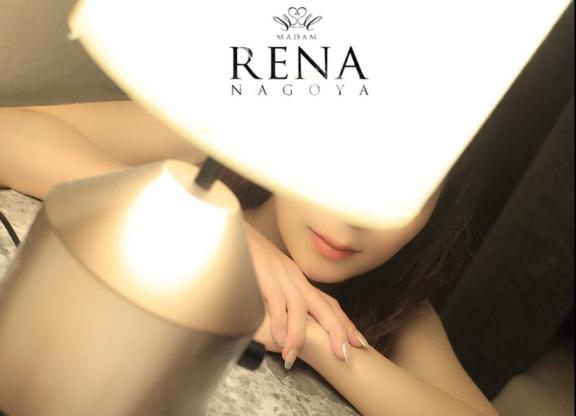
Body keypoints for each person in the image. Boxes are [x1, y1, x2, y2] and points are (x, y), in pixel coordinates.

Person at [0, 101, 499, 416]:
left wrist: (311, 335)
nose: (355, 216)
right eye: (340, 162)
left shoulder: (400, 313)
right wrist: (226, 227)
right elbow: (9, 133)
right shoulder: (209, 150)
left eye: (405, 194)